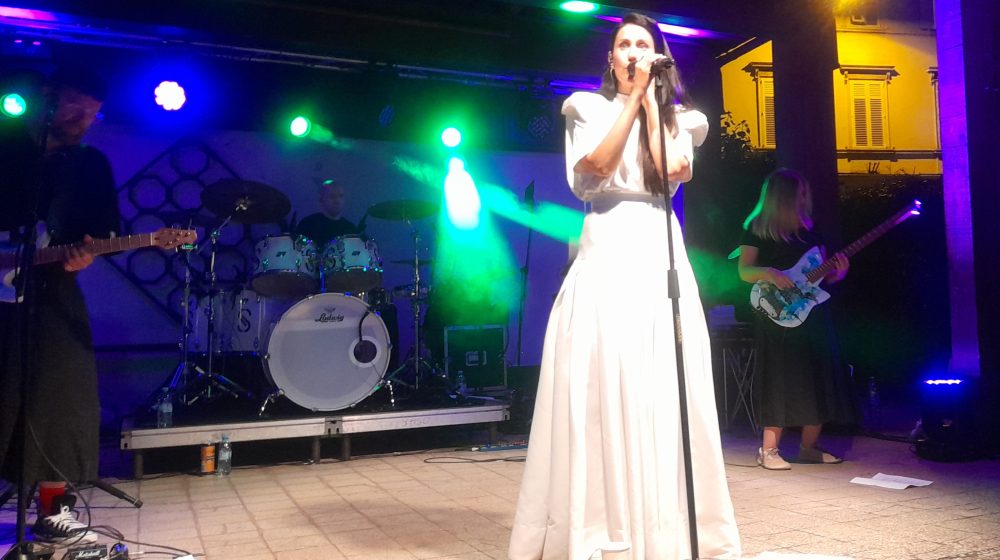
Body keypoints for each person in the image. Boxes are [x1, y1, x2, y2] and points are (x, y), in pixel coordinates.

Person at [509, 13, 741, 559]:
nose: (634, 51)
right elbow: (593, 169)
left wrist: (653, 106)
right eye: (624, 44)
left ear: (659, 57)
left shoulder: (682, 119)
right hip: (606, 241)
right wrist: (631, 101)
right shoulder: (586, 108)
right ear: (610, 58)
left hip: (656, 244)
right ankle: (597, 524)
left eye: (643, 44)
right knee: (600, 376)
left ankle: (668, 527)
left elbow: (670, 171)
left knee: (660, 376)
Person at [0, 67, 120, 545]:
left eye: (92, 113)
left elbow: (104, 228)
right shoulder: (8, 146)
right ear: (49, 97)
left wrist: (86, 253)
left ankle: (53, 510)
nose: (82, 120)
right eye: (75, 106)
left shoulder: (90, 166)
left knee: (64, 392)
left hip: (52, 287)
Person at [737, 168, 856, 470]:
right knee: (778, 378)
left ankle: (809, 447)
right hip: (777, 316)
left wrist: (838, 275)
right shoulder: (756, 228)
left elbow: (820, 279)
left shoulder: (811, 230)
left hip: (811, 313)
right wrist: (770, 273)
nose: (805, 198)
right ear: (785, 196)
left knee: (817, 376)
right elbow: (744, 271)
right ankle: (769, 450)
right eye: (800, 193)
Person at [294, 179, 359, 246]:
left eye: (341, 196)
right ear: (321, 200)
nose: (337, 201)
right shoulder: (308, 224)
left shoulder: (351, 230)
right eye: (332, 196)